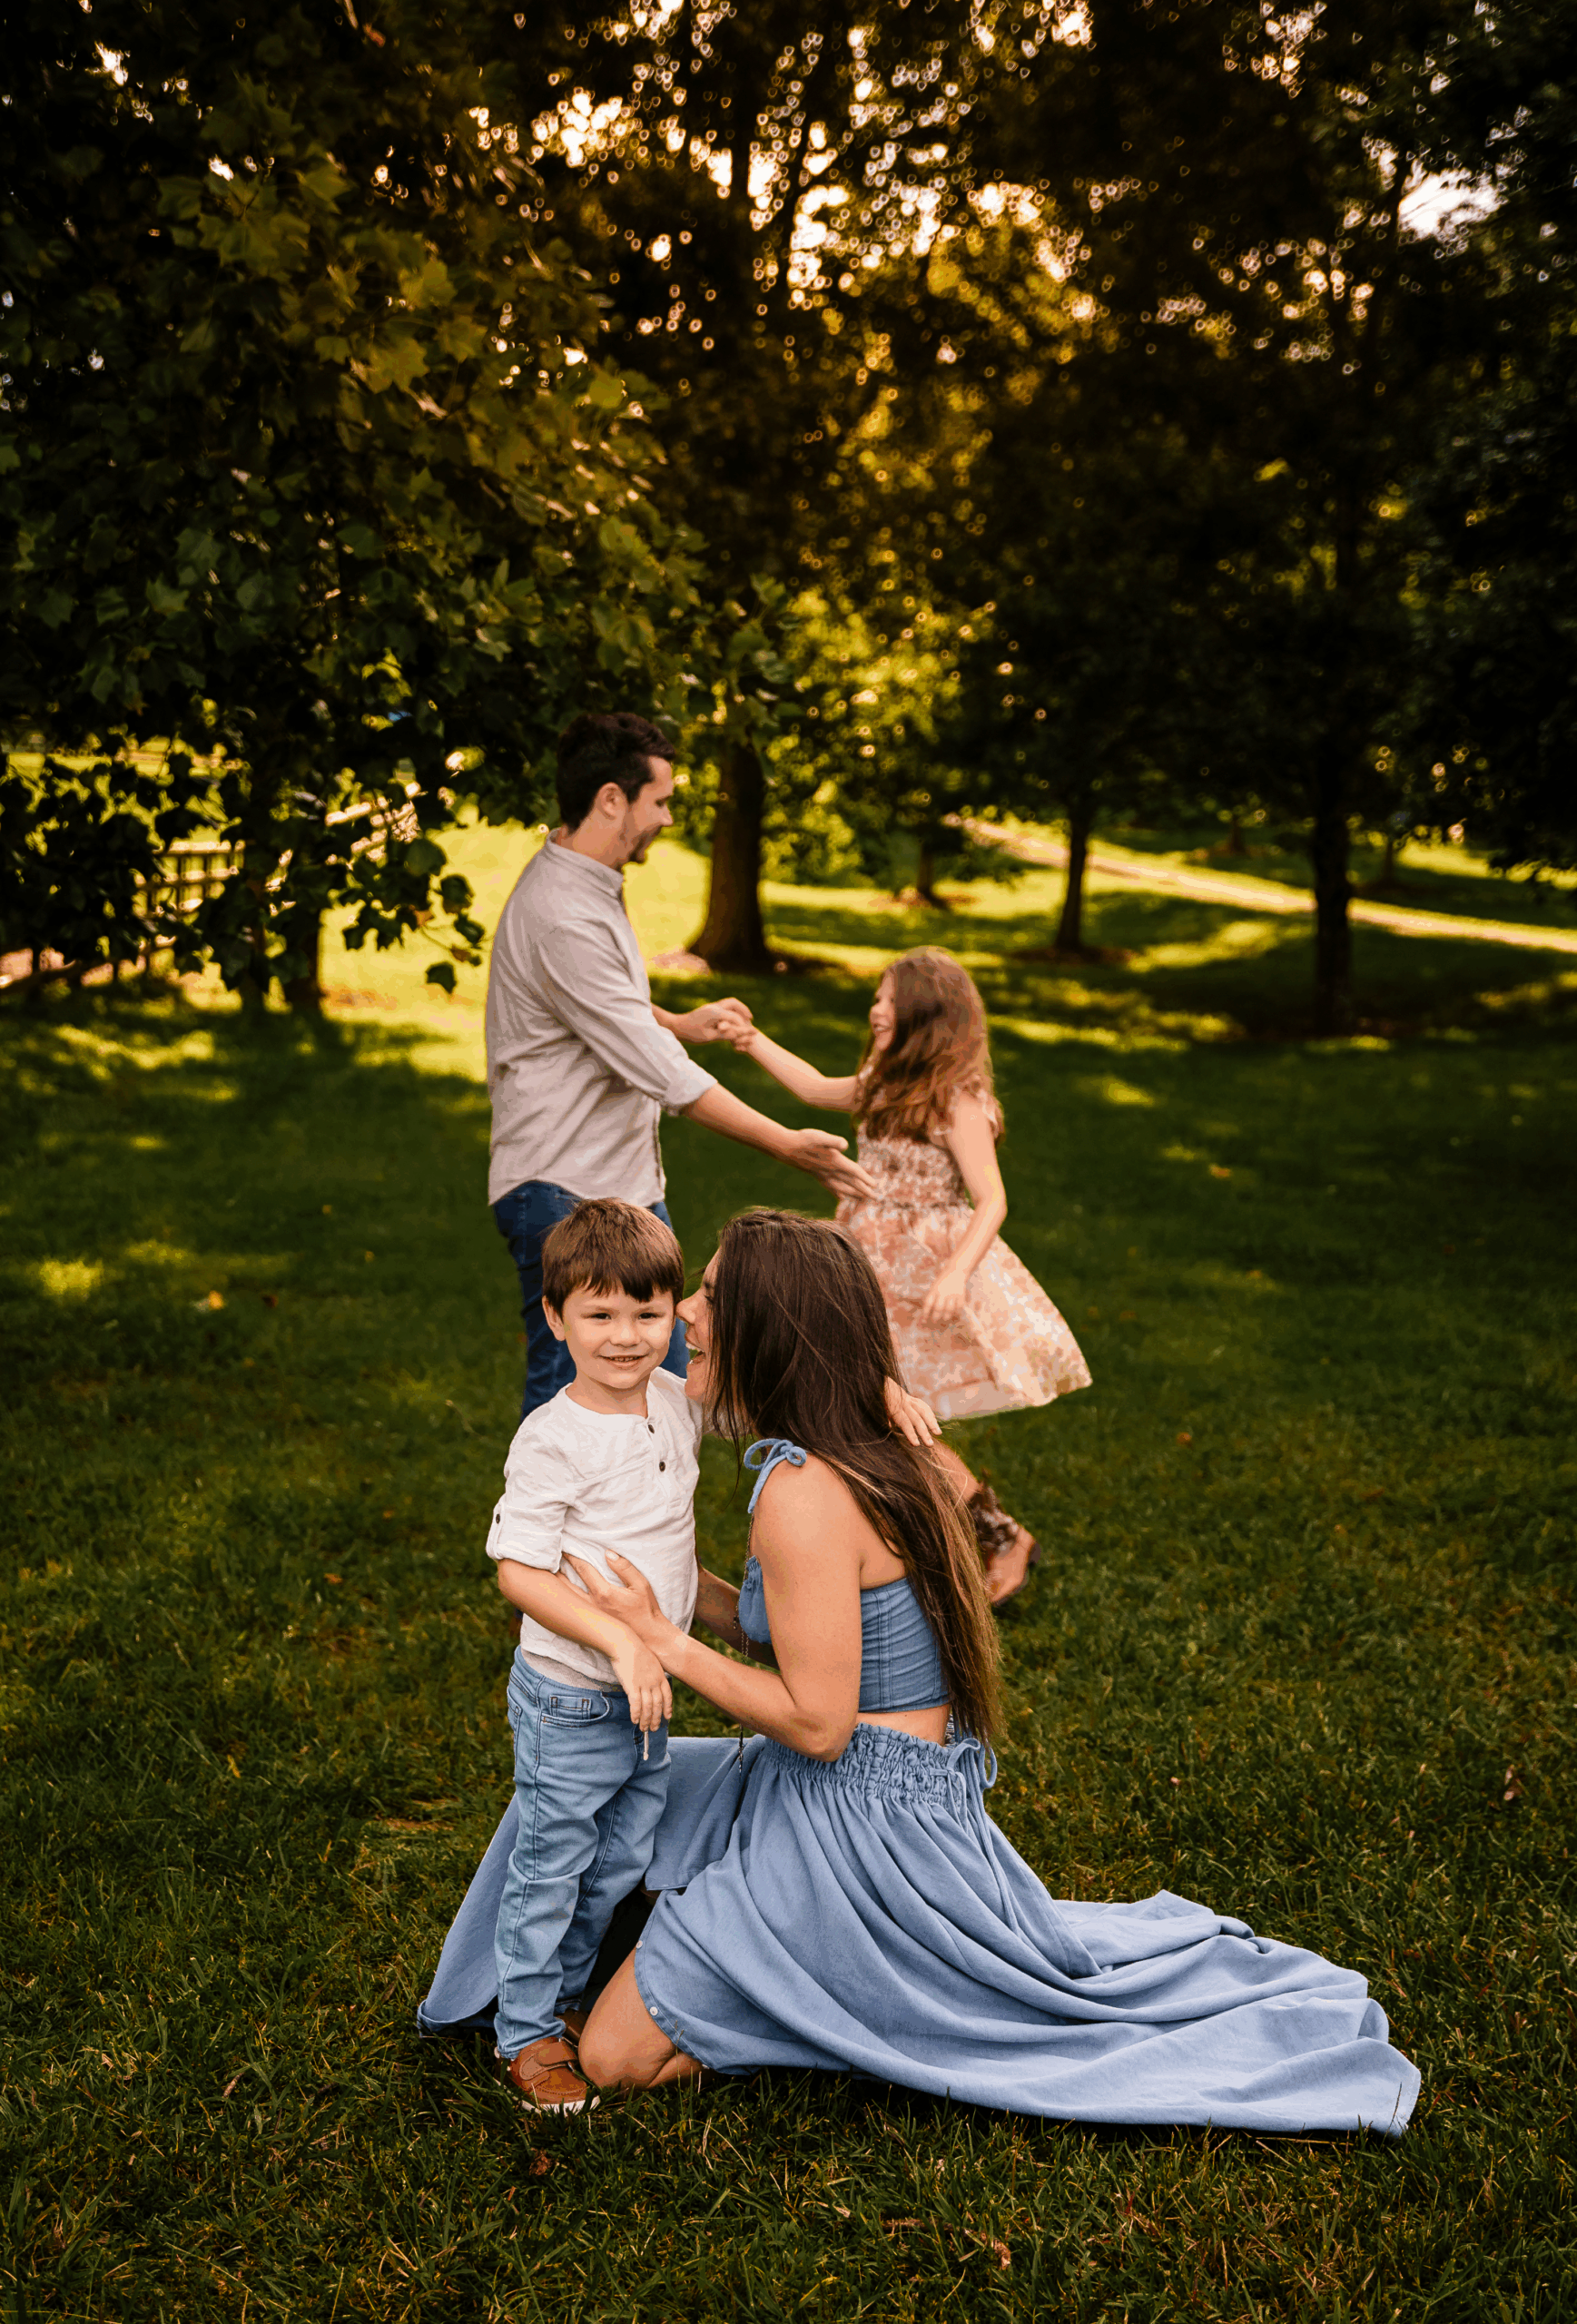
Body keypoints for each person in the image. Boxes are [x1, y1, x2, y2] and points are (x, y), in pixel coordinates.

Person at [561, 1210, 1420, 2137]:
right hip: (885, 1797)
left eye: (713, 1293)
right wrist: (670, 1594)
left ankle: (822, 2000)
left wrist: (664, 1641)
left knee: (612, 2057)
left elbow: (817, 1722)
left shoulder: (806, 1495)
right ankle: (757, 1959)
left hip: (857, 1834)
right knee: (607, 1780)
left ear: (772, 1329)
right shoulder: (876, 1457)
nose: (685, 1308)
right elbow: (807, 1634)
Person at [487, 711, 873, 1417]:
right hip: (564, 1190)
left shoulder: (585, 885)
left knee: (660, 1398)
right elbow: (667, 1076)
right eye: (659, 800)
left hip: (616, 1183)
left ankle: (636, 1530)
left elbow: (598, 1005)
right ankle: (542, 1534)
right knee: (571, 1410)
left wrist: (672, 1019)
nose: (666, 818)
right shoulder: (563, 911)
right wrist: (786, 1143)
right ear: (612, 798)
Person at [729, 947, 1089, 1603]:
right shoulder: (882, 1080)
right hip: (866, 1268)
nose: (874, 1010)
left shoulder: (957, 1099)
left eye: (887, 1001)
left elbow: (993, 1199)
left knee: (892, 1414)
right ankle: (946, 1537)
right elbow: (813, 1089)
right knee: (880, 1411)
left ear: (923, 1014)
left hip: (921, 1278)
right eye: (876, 999)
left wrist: (955, 1273)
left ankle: (990, 1534)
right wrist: (752, 1041)